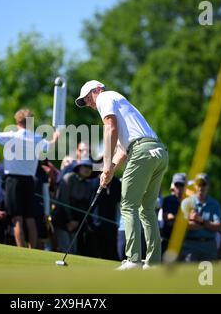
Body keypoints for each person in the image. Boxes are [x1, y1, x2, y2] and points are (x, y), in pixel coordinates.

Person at [75, 80, 168, 270]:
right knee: (147, 210)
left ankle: (133, 260)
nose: (90, 104)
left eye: (88, 98)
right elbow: (123, 150)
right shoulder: (121, 102)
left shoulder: (105, 97)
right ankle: (154, 263)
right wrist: (108, 170)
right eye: (85, 102)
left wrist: (107, 164)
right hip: (158, 152)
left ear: (97, 90)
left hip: (142, 152)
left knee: (128, 205)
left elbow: (111, 128)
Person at [0, 109, 60, 249]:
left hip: (13, 181)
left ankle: (21, 250)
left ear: (17, 121)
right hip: (29, 181)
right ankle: (32, 250)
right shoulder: (37, 138)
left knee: (17, 219)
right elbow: (51, 145)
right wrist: (56, 137)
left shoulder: (11, 136)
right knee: (30, 219)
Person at [52, 159, 98, 255]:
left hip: (76, 223)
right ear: (79, 168)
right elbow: (63, 201)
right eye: (85, 167)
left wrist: (76, 221)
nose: (88, 170)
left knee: (73, 251)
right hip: (62, 220)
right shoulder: (68, 178)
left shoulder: (88, 185)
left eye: (90, 168)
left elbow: (85, 206)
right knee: (65, 250)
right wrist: (70, 220)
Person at [180, 173, 221, 262]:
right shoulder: (186, 202)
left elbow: (217, 226)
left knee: (208, 275)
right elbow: (184, 225)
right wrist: (207, 224)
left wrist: (199, 220)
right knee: (190, 274)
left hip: (209, 245)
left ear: (208, 186)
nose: (200, 187)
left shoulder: (214, 204)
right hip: (190, 245)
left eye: (203, 184)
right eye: (198, 184)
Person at [160, 173, 186, 253]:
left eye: (181, 184)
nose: (179, 187)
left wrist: (175, 218)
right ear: (173, 185)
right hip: (168, 240)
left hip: (184, 241)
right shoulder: (168, 200)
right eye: (177, 184)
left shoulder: (189, 201)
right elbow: (167, 218)